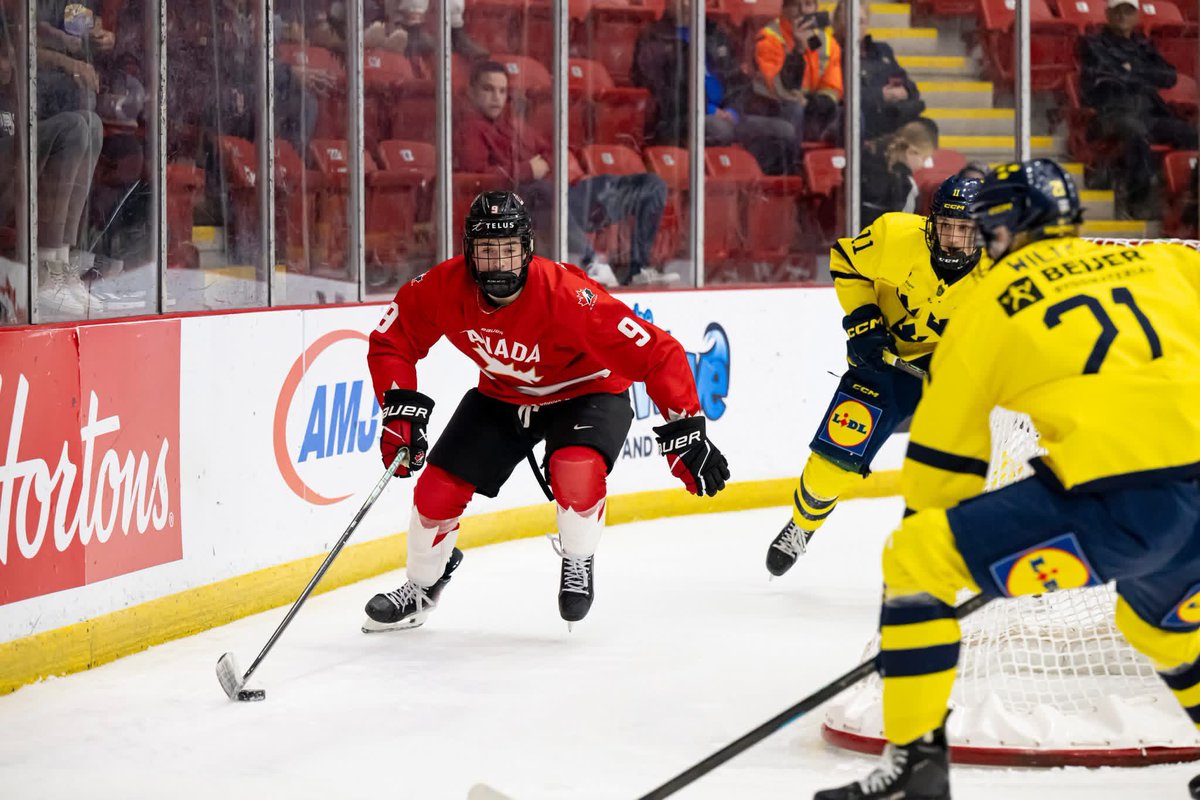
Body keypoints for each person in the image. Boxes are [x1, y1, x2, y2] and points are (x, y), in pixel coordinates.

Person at [813, 158, 1200, 799]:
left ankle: (916, 764)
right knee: (1155, 623)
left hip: (1123, 504)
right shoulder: (1166, 264)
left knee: (915, 559)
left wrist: (917, 608)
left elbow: (943, 467)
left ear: (1000, 228)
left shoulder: (988, 304)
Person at [361, 191, 729, 632]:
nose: (498, 263)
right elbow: (392, 340)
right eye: (487, 250)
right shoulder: (443, 287)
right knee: (436, 491)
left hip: (588, 390)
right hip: (503, 394)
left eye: (508, 250)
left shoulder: (569, 297)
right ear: (468, 252)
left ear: (528, 249)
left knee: (576, 469)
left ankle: (578, 556)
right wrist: (398, 407)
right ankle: (423, 586)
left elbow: (658, 352)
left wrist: (685, 427)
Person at [766, 175, 984, 578]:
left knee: (970, 469)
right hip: (885, 364)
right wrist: (864, 323)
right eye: (945, 226)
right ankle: (802, 525)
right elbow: (845, 261)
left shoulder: (1000, 270)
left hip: (954, 373)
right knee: (832, 462)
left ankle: (973, 552)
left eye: (964, 229)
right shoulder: (894, 236)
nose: (952, 238)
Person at [456, 60, 673, 286]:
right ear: (472, 92)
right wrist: (528, 170)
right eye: (488, 89)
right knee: (543, 190)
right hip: (526, 207)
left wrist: (542, 165)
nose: (496, 97)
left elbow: (552, 152)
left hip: (562, 199)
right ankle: (589, 264)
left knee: (650, 184)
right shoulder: (468, 130)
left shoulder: (513, 125)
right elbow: (479, 178)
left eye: (502, 91)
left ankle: (639, 268)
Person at [633, 0, 798, 176]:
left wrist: (733, 110)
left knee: (784, 131)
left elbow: (737, 81)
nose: (688, 4)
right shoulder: (654, 38)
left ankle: (753, 185)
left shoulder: (716, 34)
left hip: (726, 116)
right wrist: (708, 109)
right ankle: (708, 183)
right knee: (719, 128)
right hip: (678, 120)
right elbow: (662, 92)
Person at [1078, 0, 1197, 218]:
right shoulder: (1093, 43)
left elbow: (1169, 76)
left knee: (1191, 134)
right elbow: (1111, 75)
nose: (1122, 16)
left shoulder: (1143, 45)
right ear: (1107, 14)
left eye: (1128, 11)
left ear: (1137, 16)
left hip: (1147, 113)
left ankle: (1186, 200)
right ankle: (1138, 201)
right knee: (1136, 133)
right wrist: (1144, 74)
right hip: (1111, 114)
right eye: (1117, 11)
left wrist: (1133, 70)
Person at [827, 0, 927, 143]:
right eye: (851, 21)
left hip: (889, 114)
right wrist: (881, 95)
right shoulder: (832, 52)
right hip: (858, 117)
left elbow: (909, 84)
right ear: (838, 23)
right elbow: (840, 95)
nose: (856, 27)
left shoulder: (882, 51)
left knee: (927, 126)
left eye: (861, 22)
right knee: (856, 118)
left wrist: (905, 91)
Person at [754, 0, 841, 143]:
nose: (803, 11)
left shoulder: (827, 42)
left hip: (813, 109)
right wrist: (798, 50)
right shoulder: (769, 38)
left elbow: (832, 88)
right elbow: (776, 89)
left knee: (851, 115)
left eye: (808, 4)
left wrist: (812, 103)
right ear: (784, 9)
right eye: (796, 4)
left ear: (816, 7)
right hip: (778, 110)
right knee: (794, 109)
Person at [860, 118, 938, 227]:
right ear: (911, 152)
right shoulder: (906, 184)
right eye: (924, 158)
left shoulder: (866, 156)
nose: (923, 165)